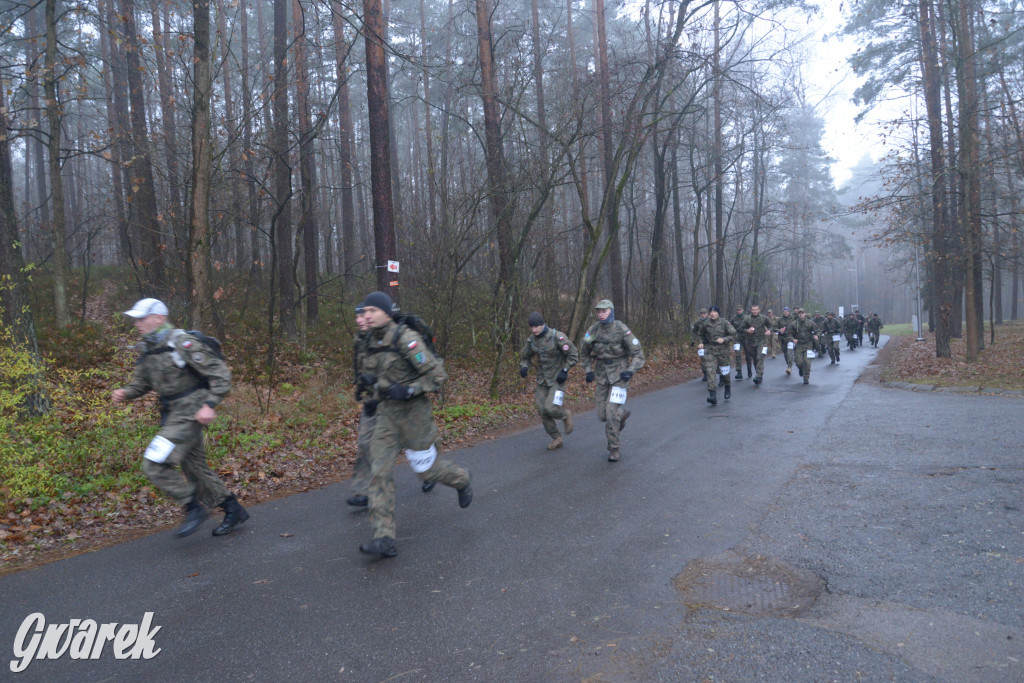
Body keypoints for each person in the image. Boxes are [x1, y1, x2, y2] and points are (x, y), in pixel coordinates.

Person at [111, 298, 249, 538]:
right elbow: (142, 383)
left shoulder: (181, 343)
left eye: (142, 318)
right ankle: (232, 509)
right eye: (136, 318)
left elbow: (220, 373)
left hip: (190, 410)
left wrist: (209, 404)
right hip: (172, 413)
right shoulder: (148, 348)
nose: (137, 323)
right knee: (194, 468)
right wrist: (126, 392)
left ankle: (193, 507)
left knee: (153, 463)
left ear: (159, 318)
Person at [357, 292, 472, 558]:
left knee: (427, 473)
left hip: (415, 417)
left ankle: (462, 479)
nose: (367, 315)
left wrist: (409, 390)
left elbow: (437, 376)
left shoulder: (406, 339)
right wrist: (372, 391)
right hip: (387, 418)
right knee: (378, 472)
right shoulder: (370, 340)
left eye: (373, 310)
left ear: (386, 311)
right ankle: (384, 538)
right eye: (365, 311)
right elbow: (378, 377)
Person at [348, 305, 435, 508]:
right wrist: (362, 386)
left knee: (412, 443)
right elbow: (360, 365)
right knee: (365, 442)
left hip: (398, 399)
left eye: (363, 315)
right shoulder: (361, 339)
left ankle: (430, 473)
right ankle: (365, 491)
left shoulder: (390, 336)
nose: (360, 320)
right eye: (357, 316)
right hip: (374, 400)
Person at [580, 299, 645, 462]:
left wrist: (630, 371)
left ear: (611, 311)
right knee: (602, 415)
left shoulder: (621, 329)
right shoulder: (593, 330)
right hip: (602, 376)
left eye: (604, 311)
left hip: (619, 376)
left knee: (610, 413)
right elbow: (584, 352)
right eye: (598, 311)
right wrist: (588, 370)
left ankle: (614, 449)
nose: (601, 314)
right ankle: (621, 415)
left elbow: (638, 354)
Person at [519, 311, 579, 450]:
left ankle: (565, 415)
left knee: (550, 408)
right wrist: (524, 367)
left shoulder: (557, 337)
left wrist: (565, 370)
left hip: (557, 380)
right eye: (532, 327)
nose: (534, 330)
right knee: (541, 409)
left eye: (537, 327)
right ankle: (556, 438)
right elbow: (525, 357)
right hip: (542, 380)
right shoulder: (532, 340)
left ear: (543, 324)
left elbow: (573, 354)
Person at [697, 305, 736, 405]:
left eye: (715, 312)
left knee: (725, 372)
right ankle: (712, 395)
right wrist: (701, 342)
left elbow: (733, 334)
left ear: (718, 313)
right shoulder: (706, 323)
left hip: (723, 351)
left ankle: (727, 387)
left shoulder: (724, 322)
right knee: (710, 372)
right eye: (711, 312)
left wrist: (724, 339)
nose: (712, 313)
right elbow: (700, 335)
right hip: (710, 351)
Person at [742, 304, 772, 385]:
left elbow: (771, 326)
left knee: (760, 357)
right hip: (751, 342)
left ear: (759, 310)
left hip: (761, 341)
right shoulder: (747, 319)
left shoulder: (763, 318)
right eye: (753, 310)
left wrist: (769, 331)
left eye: (756, 310)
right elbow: (741, 329)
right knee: (755, 359)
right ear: (751, 310)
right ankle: (759, 375)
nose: (754, 311)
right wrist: (747, 330)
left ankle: (758, 376)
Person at [791, 308, 820, 385]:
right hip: (799, 345)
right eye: (799, 313)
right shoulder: (794, 323)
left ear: (805, 314)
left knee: (807, 362)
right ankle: (801, 369)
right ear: (798, 314)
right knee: (798, 362)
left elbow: (818, 330)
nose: (801, 314)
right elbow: (788, 333)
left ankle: (806, 377)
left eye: (802, 313)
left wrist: (817, 335)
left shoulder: (810, 323)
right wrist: (792, 339)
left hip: (808, 345)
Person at [774, 306, 795, 375]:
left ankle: (789, 367)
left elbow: (797, 327)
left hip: (790, 338)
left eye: (787, 311)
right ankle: (788, 364)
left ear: (789, 312)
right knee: (785, 354)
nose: (785, 313)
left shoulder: (793, 318)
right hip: (782, 339)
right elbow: (774, 327)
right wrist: (779, 330)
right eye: (784, 311)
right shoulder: (779, 319)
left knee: (790, 352)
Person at [691, 308, 710, 382]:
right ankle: (705, 373)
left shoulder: (711, 321)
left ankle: (712, 372)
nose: (703, 315)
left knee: (711, 358)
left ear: (707, 314)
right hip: (701, 343)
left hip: (710, 342)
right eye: (701, 313)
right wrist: (692, 341)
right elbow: (694, 332)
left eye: (704, 313)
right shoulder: (698, 323)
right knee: (703, 358)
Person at [730, 305, 748, 380]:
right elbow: (730, 326)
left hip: (746, 338)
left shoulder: (747, 318)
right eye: (737, 310)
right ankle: (739, 372)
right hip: (737, 339)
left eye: (740, 310)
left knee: (748, 355)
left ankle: (749, 369)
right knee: (737, 354)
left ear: (743, 310)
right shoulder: (733, 318)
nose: (738, 311)